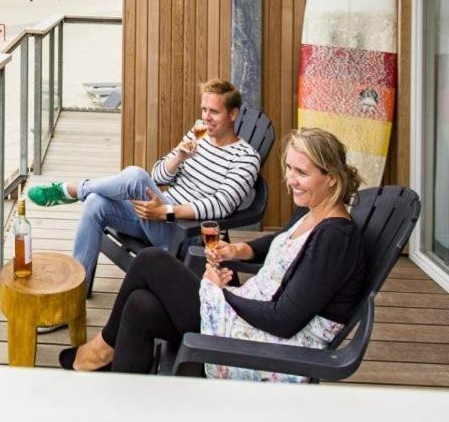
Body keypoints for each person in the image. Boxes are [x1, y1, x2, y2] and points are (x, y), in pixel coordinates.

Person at [59, 128, 366, 382]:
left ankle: (102, 349)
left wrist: (222, 294)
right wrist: (241, 249)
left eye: (302, 172)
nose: (291, 180)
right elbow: (284, 241)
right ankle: (124, 400)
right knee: (141, 306)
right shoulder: (314, 213)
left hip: (265, 348)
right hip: (249, 320)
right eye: (289, 168)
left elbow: (284, 320)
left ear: (332, 178)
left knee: (152, 261)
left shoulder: (335, 238)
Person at [27, 79, 261, 289]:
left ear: (233, 114)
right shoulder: (199, 132)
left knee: (136, 176)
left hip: (181, 229)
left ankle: (75, 189)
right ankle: (75, 293)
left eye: (214, 112)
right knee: (96, 203)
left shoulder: (245, 158)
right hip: (155, 215)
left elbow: (221, 206)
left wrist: (166, 213)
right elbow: (158, 176)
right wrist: (178, 158)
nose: (206, 118)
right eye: (203, 110)